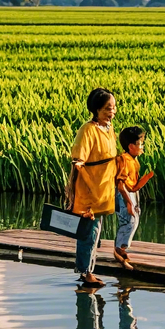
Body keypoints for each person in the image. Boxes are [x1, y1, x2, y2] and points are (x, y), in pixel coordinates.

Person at [68, 88, 117, 288]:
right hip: (90, 188)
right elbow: (78, 161)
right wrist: (81, 186)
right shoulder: (87, 130)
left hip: (104, 188)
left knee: (96, 234)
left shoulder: (109, 128)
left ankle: (90, 270)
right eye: (107, 108)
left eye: (113, 108)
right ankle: (86, 272)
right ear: (96, 110)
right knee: (88, 232)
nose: (111, 112)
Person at [113, 125, 154, 271]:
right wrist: (129, 203)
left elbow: (134, 185)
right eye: (140, 144)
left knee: (134, 219)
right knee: (128, 221)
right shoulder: (124, 160)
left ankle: (122, 248)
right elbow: (120, 185)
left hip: (130, 194)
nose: (142, 147)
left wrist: (147, 178)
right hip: (122, 195)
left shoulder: (134, 161)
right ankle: (119, 249)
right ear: (131, 146)